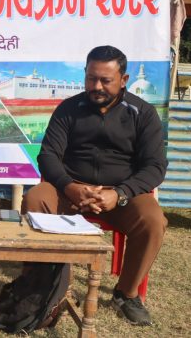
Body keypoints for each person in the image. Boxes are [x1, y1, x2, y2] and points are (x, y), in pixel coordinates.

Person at [22, 45, 167, 326]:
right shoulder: (69, 109)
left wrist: (120, 193)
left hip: (120, 194)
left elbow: (155, 166)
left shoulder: (143, 113)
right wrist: (69, 187)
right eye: (91, 78)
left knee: (153, 220)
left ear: (123, 80)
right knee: (36, 198)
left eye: (105, 80)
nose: (96, 86)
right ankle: (41, 283)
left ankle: (126, 294)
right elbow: (48, 155)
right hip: (70, 189)